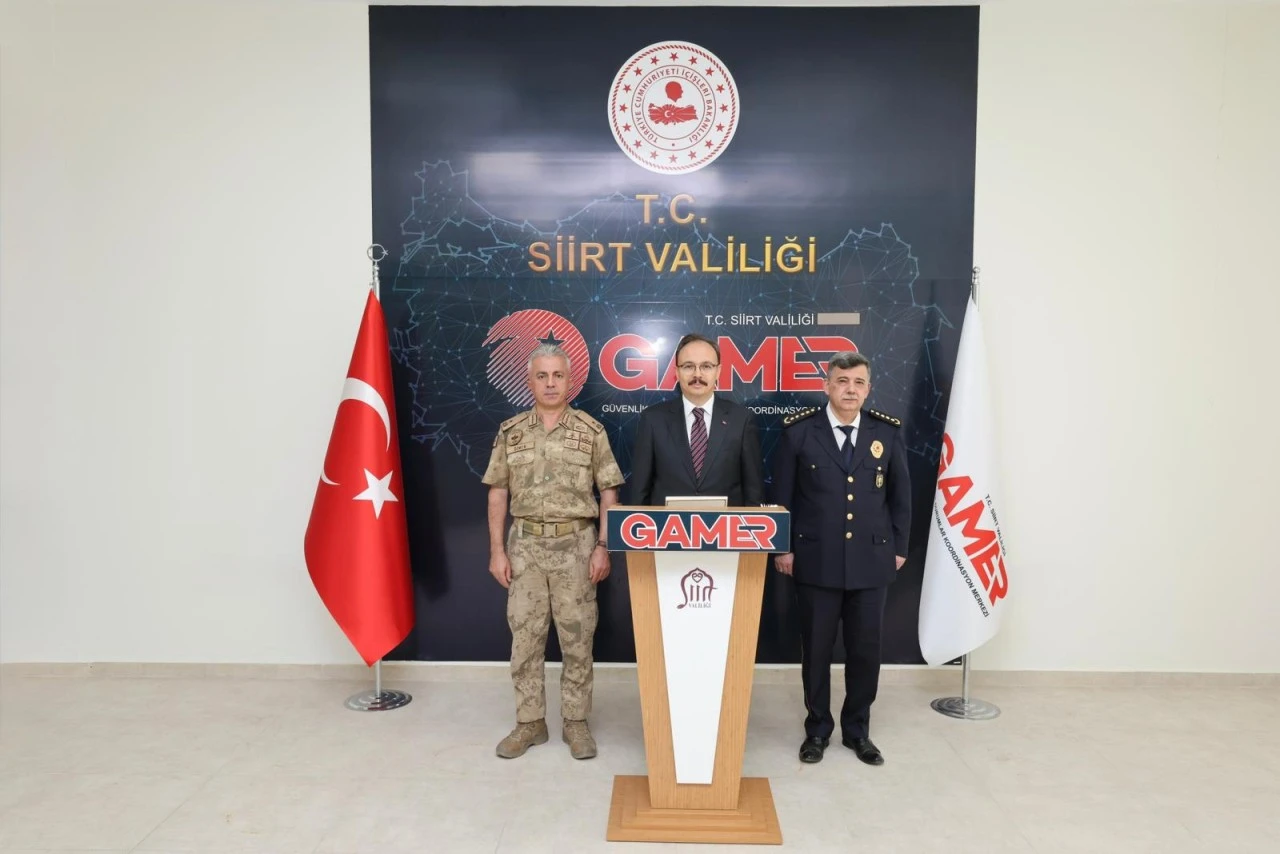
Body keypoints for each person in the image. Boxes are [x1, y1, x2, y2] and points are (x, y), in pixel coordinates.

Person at [482, 344, 624, 760]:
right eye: (542, 376)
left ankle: (576, 722)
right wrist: (496, 551)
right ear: (530, 381)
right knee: (525, 641)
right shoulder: (511, 432)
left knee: (577, 639)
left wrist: (603, 547)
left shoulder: (591, 431)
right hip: (524, 547)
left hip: (577, 547)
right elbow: (498, 491)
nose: (550, 383)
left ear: (569, 380)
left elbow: (609, 492)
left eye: (557, 375)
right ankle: (530, 723)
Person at [770, 351, 910, 766]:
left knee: (865, 651)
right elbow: (782, 496)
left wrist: (899, 547)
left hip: (871, 560)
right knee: (816, 651)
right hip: (816, 560)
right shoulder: (799, 433)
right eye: (842, 381)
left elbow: (901, 497)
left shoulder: (887, 433)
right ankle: (817, 730)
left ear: (868, 389)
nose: (851, 389)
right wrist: (782, 547)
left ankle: (857, 730)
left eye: (859, 382)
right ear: (827, 385)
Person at [629, 333, 764, 507]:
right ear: (677, 372)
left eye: (706, 366)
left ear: (718, 371)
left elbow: (754, 493)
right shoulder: (652, 420)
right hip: (667, 524)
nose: (697, 374)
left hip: (725, 524)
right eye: (688, 366)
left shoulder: (742, 420)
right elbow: (639, 492)